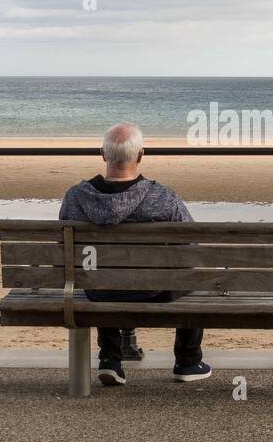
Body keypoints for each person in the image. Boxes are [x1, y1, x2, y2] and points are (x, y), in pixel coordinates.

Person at [58, 122, 210, 386]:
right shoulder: (162, 197)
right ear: (140, 155)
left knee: (98, 275)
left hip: (98, 290)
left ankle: (111, 359)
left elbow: (63, 248)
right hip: (154, 289)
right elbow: (192, 247)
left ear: (103, 154)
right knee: (192, 277)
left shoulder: (75, 198)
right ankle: (188, 360)